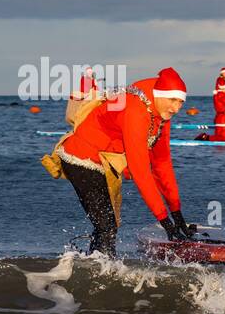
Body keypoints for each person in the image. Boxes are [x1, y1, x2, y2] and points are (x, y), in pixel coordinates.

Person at [56, 67, 194, 255]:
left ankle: (93, 265)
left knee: (107, 225)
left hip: (103, 161)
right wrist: (165, 222)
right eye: (172, 100)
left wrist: (177, 216)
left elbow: (162, 163)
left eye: (180, 102)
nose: (176, 108)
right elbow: (141, 171)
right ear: (160, 95)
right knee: (107, 226)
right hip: (80, 159)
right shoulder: (136, 112)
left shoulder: (160, 111)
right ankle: (98, 273)